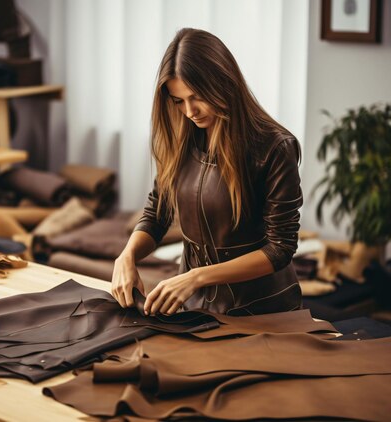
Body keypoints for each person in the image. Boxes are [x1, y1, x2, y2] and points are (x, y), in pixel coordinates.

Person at [111, 28, 303, 316]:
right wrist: (126, 256)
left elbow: (280, 248)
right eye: (178, 100)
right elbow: (157, 214)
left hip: (263, 310)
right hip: (195, 309)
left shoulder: (275, 147)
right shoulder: (181, 138)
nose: (190, 111)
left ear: (223, 83)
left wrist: (195, 277)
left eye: (197, 96)